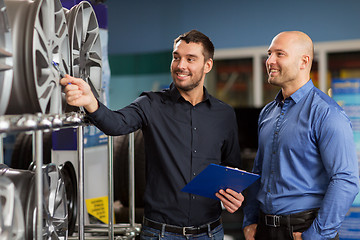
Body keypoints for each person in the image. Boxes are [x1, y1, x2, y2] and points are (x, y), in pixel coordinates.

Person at [61, 29, 244, 239]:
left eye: (190, 59)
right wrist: (91, 101)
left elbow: (232, 169)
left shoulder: (224, 114)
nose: (180, 65)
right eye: (176, 58)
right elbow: (116, 124)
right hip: (160, 233)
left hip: (210, 233)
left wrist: (235, 196)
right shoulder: (151, 104)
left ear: (207, 65)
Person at [242, 31, 360, 240]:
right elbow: (258, 171)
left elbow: (345, 180)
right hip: (264, 229)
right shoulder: (267, 113)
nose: (270, 61)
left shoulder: (327, 113)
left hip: (304, 230)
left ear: (304, 61)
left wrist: (315, 235)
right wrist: (250, 220)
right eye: (269, 54)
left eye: (280, 54)